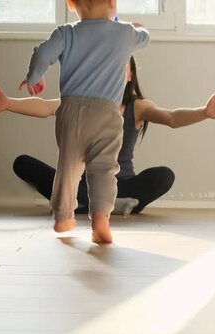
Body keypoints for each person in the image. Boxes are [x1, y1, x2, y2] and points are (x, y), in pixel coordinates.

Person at [0, 56, 215, 217]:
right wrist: (7, 104)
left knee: (164, 175)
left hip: (123, 184)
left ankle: (88, 204)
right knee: (24, 163)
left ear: (130, 74)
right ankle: (99, 203)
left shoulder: (138, 107)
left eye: (119, 67)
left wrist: (204, 112)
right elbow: (45, 107)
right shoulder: (80, 102)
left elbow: (171, 117)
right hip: (82, 183)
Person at [17, 0, 150, 244]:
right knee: (104, 169)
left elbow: (42, 54)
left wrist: (34, 77)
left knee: (68, 167)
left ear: (70, 3)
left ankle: (63, 217)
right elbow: (145, 37)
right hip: (107, 113)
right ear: (112, 2)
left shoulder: (65, 33)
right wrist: (134, 28)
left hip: (69, 111)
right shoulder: (124, 33)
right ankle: (100, 220)